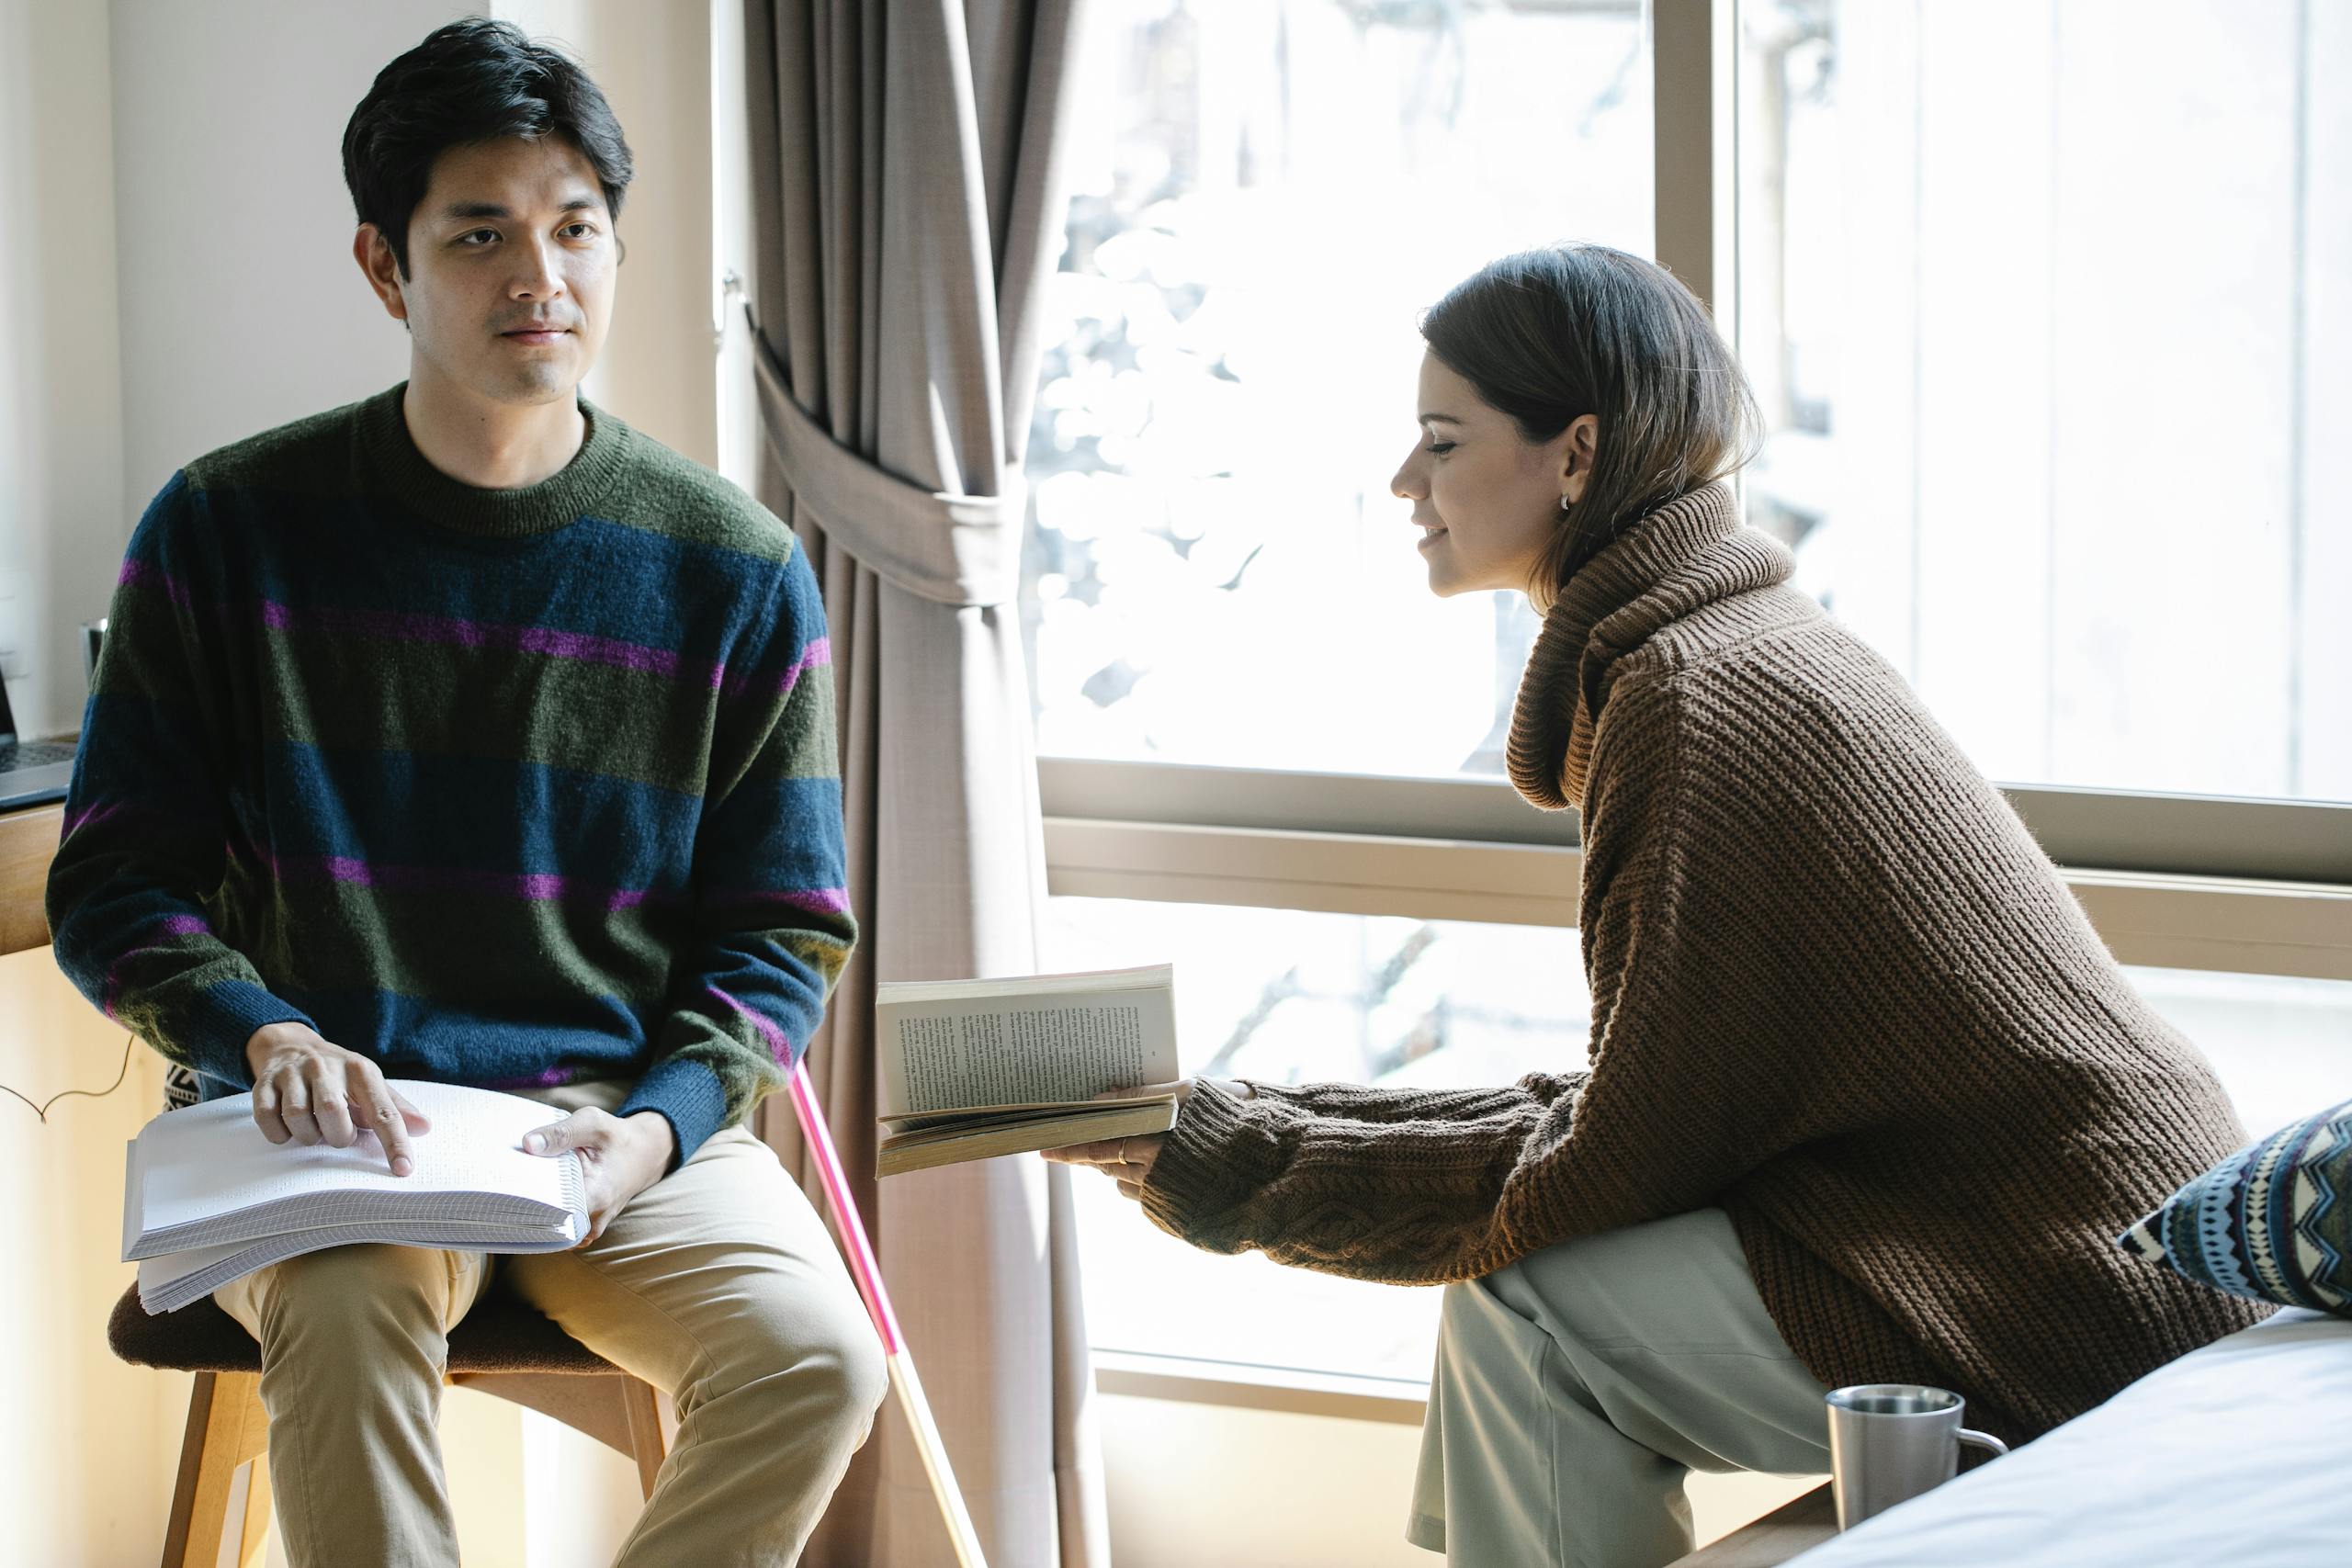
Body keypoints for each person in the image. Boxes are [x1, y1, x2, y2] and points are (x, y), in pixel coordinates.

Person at [1048, 243, 2267, 1568]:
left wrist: (1244, 1165)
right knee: (1528, 1302)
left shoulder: (1689, 697)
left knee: (1528, 1311)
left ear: (1576, 453)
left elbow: (1616, 1160)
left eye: (1442, 442)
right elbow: (1649, 1104)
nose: (1407, 483)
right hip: (2072, 1238)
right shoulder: (1723, 650)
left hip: (2054, 1284)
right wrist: (1248, 1123)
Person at [47, 20, 883, 1567]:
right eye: (479, 234)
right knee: (351, 1323)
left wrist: (659, 1125)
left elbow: (782, 932)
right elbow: (110, 881)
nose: (538, 279)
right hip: (324, 1133)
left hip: (606, 1133)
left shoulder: (733, 568)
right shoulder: (228, 530)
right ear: (386, 267)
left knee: (819, 1359)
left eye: (576, 232)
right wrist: (262, 1033)